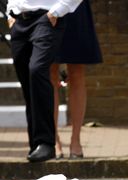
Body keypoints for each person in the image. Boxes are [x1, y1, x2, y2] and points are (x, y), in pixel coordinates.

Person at [6, 0, 83, 162]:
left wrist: (58, 10)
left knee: (37, 70)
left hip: (46, 18)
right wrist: (10, 10)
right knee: (27, 78)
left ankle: (46, 143)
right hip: (18, 19)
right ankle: (36, 144)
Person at [50, 0, 102, 159]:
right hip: (45, 7)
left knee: (77, 72)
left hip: (75, 8)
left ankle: (76, 139)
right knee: (49, 73)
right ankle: (53, 140)